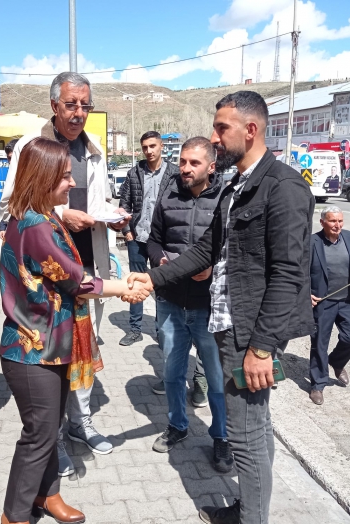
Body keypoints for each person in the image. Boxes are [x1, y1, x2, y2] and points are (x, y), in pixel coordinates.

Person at [126, 91, 315, 524]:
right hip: (229, 326)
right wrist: (152, 278)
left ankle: (251, 518)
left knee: (244, 436)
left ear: (250, 130)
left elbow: (289, 274)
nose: (214, 138)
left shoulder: (284, 188)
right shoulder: (237, 186)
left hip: (251, 335)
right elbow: (205, 250)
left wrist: (262, 348)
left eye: (221, 129)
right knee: (255, 428)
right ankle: (248, 509)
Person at [0, 137, 148, 524]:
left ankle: (48, 495)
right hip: (31, 350)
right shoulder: (35, 225)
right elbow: (77, 282)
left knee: (49, 430)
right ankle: (14, 515)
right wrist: (124, 287)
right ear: (43, 177)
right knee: (38, 435)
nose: (72, 183)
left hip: (53, 344)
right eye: (65, 176)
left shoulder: (45, 216)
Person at [0, 72, 129, 476]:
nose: (79, 113)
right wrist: (60, 216)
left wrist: (112, 214)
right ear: (54, 105)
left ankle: (81, 422)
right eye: (71, 104)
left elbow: (100, 197)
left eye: (85, 105)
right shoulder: (31, 147)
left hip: (89, 263)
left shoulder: (94, 148)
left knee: (83, 347)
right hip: (48, 277)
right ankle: (52, 441)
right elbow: (12, 204)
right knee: (54, 354)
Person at [146, 137, 232, 471]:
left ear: (211, 166)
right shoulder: (168, 193)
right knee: (172, 371)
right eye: (182, 161)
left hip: (207, 306)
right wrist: (160, 261)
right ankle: (177, 425)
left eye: (194, 163)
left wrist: (212, 268)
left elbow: (232, 248)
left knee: (215, 377)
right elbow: (153, 240)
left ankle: (221, 436)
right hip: (170, 301)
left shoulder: (225, 198)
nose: (185, 168)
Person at [117, 131, 179, 347]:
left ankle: (161, 331)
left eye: (153, 146)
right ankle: (135, 329)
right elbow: (124, 204)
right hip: (137, 238)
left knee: (161, 284)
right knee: (135, 284)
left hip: (161, 241)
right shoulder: (134, 173)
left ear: (162, 146)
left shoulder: (174, 173)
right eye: (145, 147)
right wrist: (127, 231)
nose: (149, 151)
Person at [308, 207, 350, 405]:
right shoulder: (311, 242)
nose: (337, 225)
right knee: (319, 343)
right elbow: (301, 271)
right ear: (322, 222)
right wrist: (306, 294)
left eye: (340, 221)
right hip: (323, 302)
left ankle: (336, 361)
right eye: (333, 221)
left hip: (349, 300)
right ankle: (318, 384)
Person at [0, 139, 19, 241]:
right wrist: (3, 226)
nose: (10, 161)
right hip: (13, 223)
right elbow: (7, 200)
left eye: (13, 158)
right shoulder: (11, 174)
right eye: (9, 158)